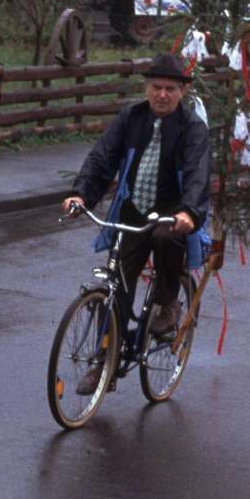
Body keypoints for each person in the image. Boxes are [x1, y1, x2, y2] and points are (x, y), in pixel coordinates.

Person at [63, 53, 210, 388]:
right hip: (132, 211)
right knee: (116, 286)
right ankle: (105, 362)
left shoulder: (192, 128)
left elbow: (197, 174)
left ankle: (168, 302)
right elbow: (103, 157)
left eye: (170, 89)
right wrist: (81, 194)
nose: (162, 94)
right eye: (156, 87)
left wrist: (189, 211)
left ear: (183, 91)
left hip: (172, 211)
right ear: (147, 88)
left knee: (164, 237)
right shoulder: (131, 117)